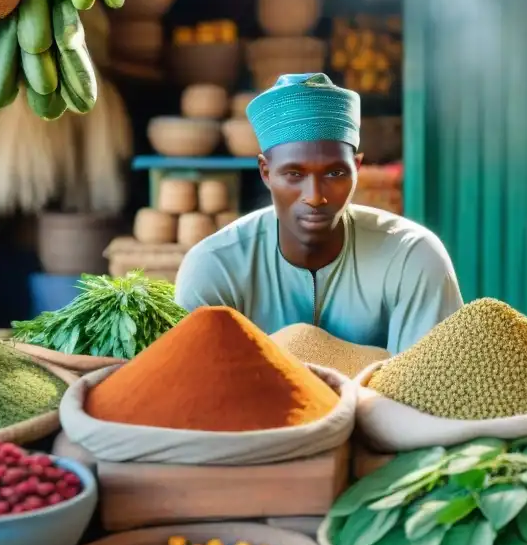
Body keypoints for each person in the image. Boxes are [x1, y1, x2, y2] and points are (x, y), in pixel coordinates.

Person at [175, 73, 463, 354]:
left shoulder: (411, 256)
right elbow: (195, 391)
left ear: (357, 168)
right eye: (294, 174)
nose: (315, 196)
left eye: (335, 173)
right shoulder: (215, 267)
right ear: (266, 172)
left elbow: (429, 392)